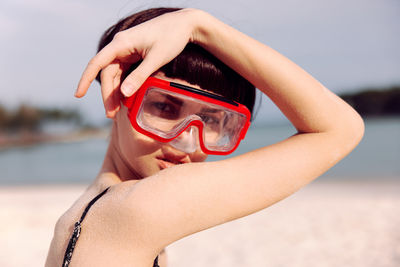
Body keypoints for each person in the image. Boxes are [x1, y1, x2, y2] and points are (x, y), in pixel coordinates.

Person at [45, 7, 364, 267]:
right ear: (116, 96)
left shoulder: (93, 210)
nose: (185, 141)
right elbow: (340, 129)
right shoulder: (138, 208)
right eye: (164, 107)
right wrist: (198, 24)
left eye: (211, 119)